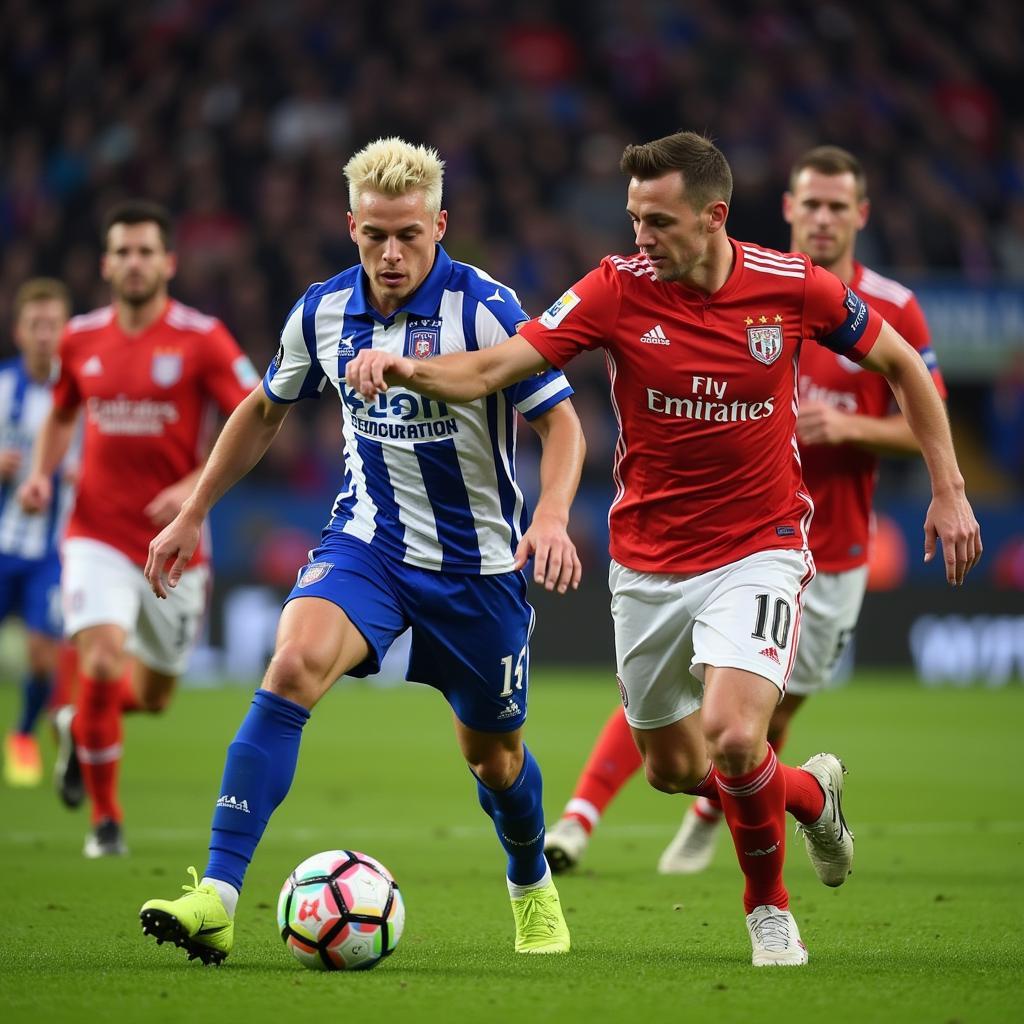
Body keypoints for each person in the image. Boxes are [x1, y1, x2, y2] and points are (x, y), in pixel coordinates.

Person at [343, 131, 982, 967]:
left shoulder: (792, 289)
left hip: (760, 546)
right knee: (676, 770)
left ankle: (769, 913)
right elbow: (499, 364)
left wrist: (950, 488)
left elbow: (902, 364)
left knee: (732, 734)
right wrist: (406, 369)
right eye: (635, 218)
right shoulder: (615, 288)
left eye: (660, 222)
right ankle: (810, 794)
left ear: (714, 217)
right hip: (648, 558)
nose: (641, 238)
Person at [138, 138, 583, 965]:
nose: (391, 252)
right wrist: (195, 509)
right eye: (375, 234)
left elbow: (559, 419)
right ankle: (219, 896)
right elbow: (264, 409)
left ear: (440, 224)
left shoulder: (485, 308)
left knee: (494, 759)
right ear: (350, 226)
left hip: (478, 570)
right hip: (368, 544)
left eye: (409, 234)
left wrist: (551, 516)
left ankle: (529, 881)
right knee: (292, 665)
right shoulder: (321, 311)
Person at [544, 145, 951, 878]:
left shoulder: (861, 304)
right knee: (698, 729)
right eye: (811, 204)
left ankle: (728, 822)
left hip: (829, 547)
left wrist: (864, 437)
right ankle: (670, 809)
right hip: (704, 544)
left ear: (860, 215)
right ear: (789, 208)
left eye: (838, 206)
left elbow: (923, 400)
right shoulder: (718, 284)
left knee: (757, 725)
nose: (823, 218)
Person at [18, 201, 256, 857]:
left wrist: (192, 487)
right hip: (94, 532)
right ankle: (106, 823)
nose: (133, 262)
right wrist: (42, 473)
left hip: (175, 545)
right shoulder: (80, 338)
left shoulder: (202, 338)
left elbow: (258, 415)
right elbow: (63, 413)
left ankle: (76, 726)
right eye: (122, 251)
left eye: (146, 251)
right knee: (97, 659)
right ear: (105, 263)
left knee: (151, 697)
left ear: (169, 262)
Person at [1, 278, 74, 787]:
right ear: (19, 332)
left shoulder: (84, 389)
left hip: (54, 548)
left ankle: (23, 734)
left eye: (54, 325)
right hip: (3, 542)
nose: (46, 335)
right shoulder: (3, 386)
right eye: (36, 326)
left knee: (43, 656)